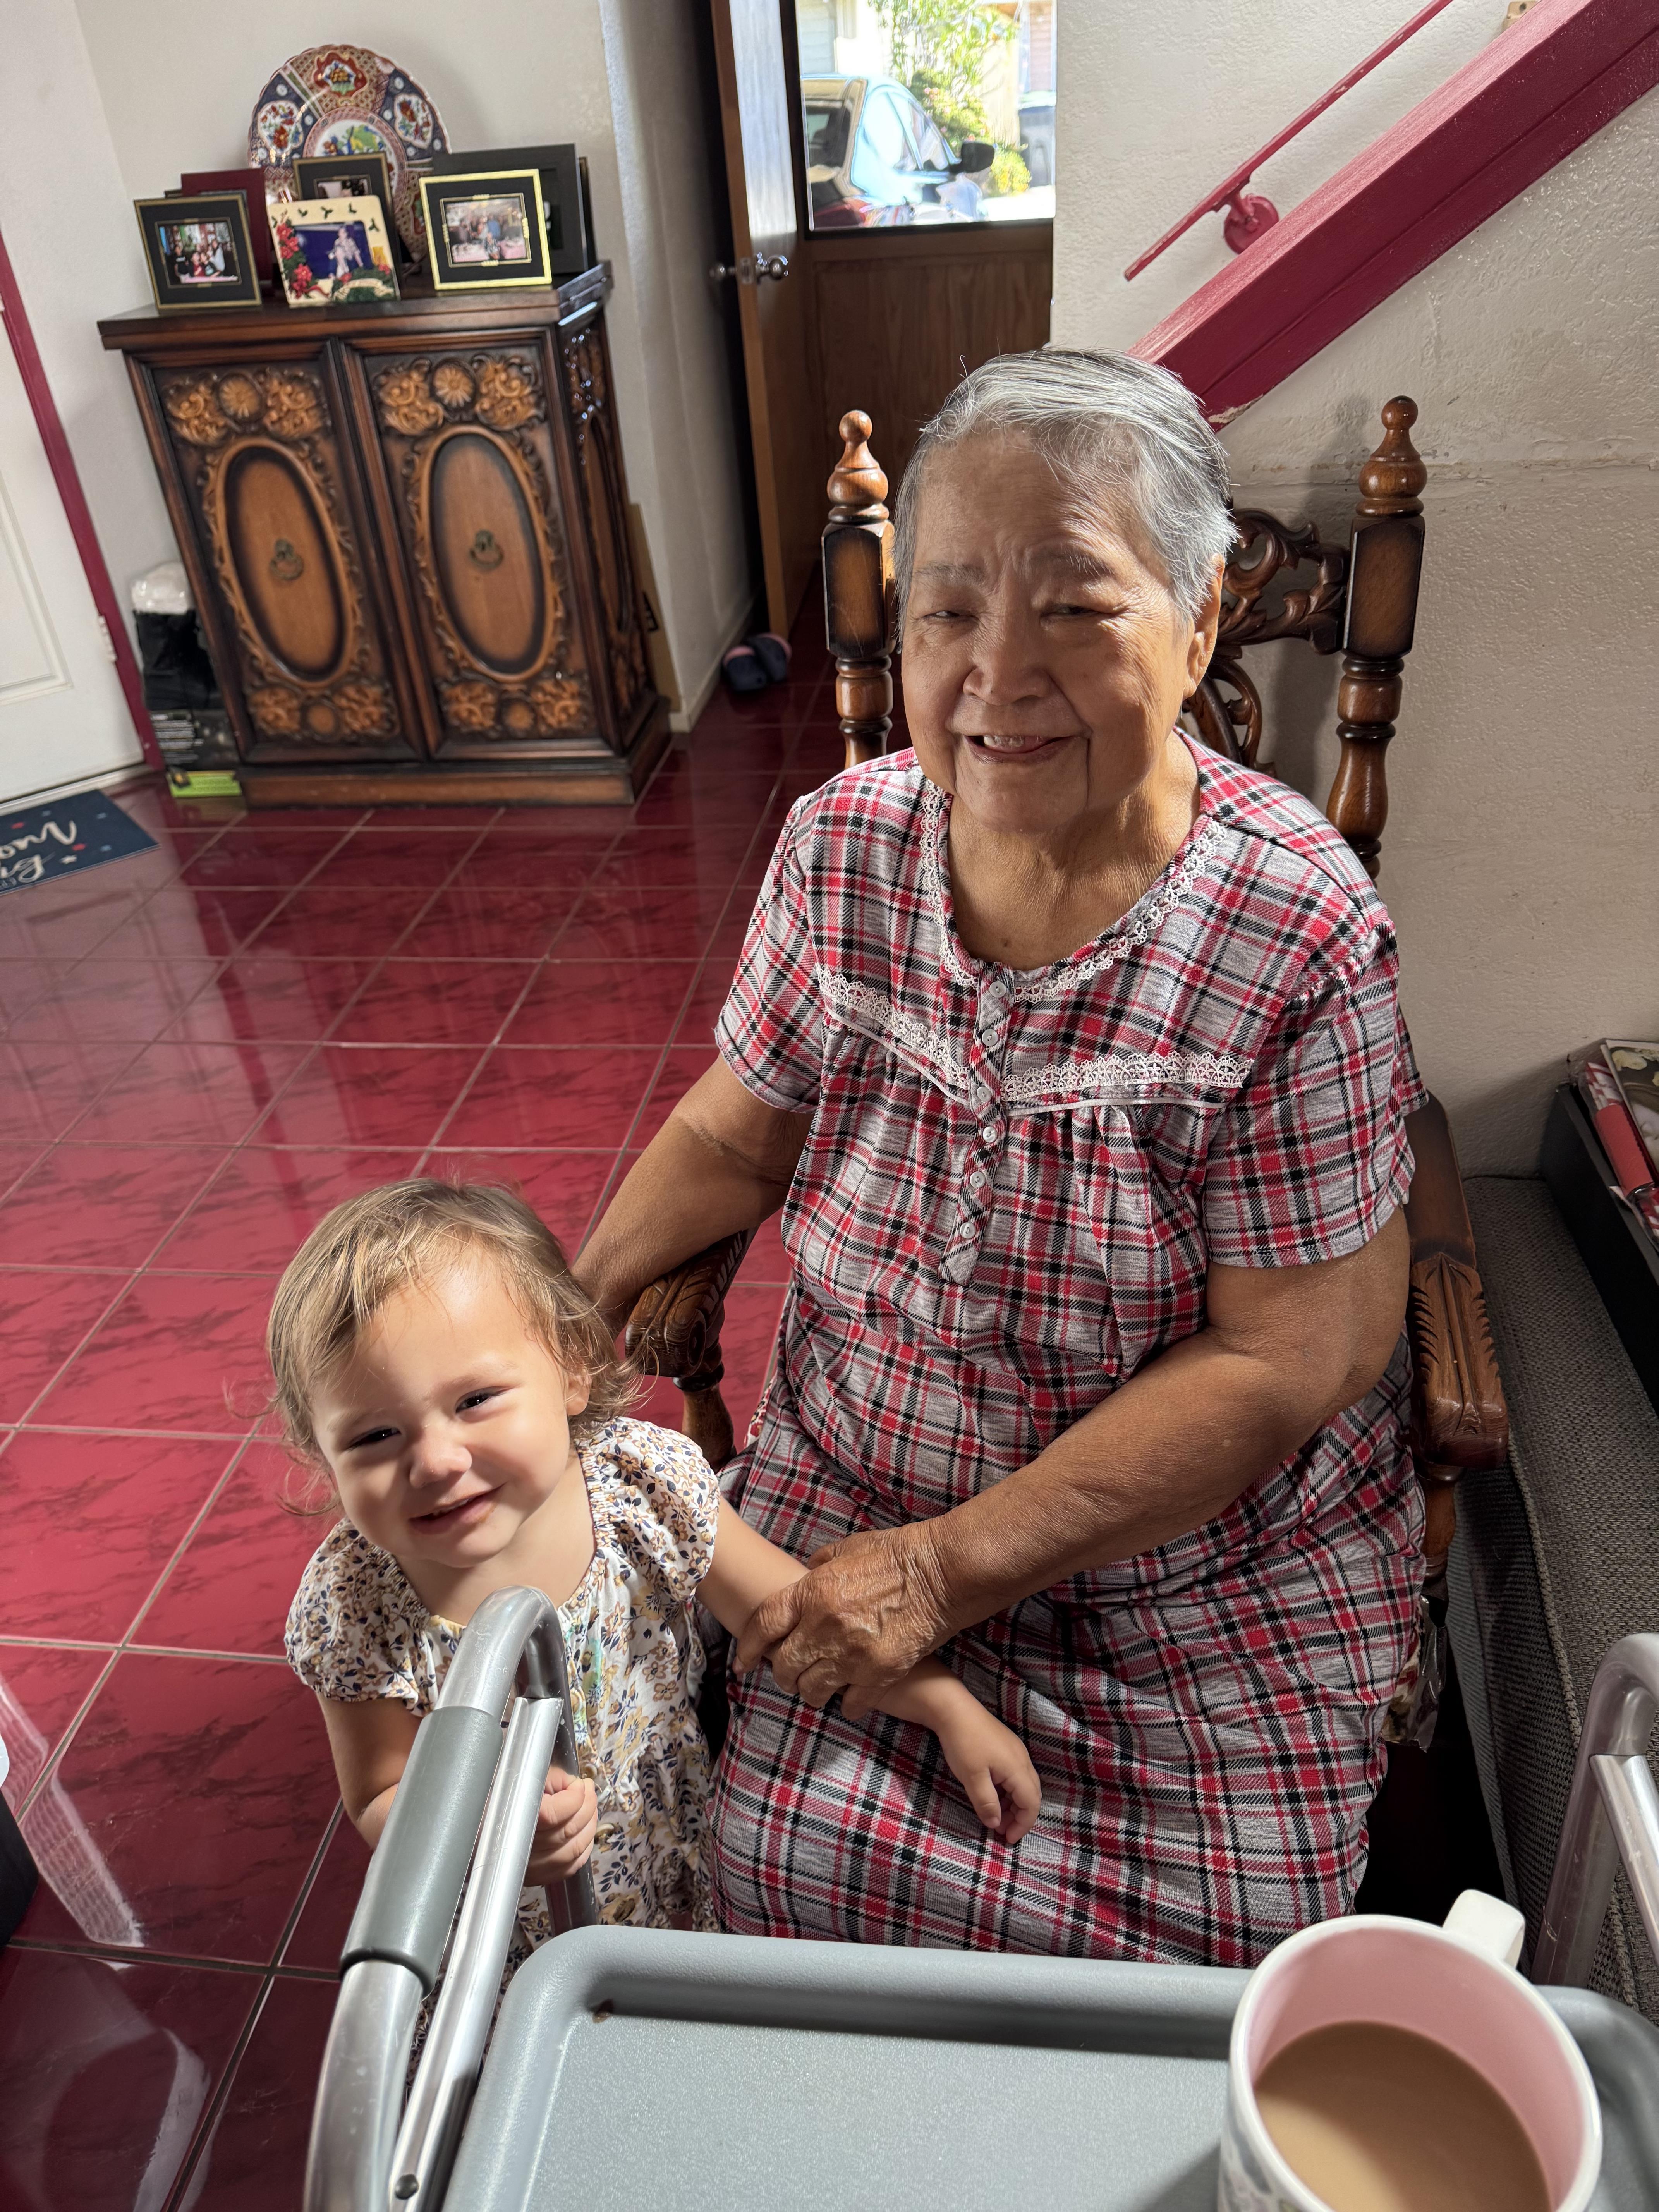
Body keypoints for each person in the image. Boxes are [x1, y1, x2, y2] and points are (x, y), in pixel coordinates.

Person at [577, 348, 1423, 1966]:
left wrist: (954, 1570)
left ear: (1202, 616)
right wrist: (568, 1304)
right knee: (780, 1879)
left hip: (1187, 1586)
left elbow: (1287, 1359)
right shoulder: (843, 846)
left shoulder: (1298, 931)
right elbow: (733, 1123)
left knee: (1205, 1964)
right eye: (949, 611)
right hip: (861, 1492)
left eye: (1077, 605)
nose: (994, 675)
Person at [275, 1180, 1037, 1966]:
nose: (435, 1461)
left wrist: (944, 1704)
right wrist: (483, 1838)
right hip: (499, 1928)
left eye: (475, 1399)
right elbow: (377, 1795)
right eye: (374, 1437)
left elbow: (787, 1615)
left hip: (666, 1850)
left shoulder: (644, 1489)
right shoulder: (355, 1604)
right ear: (323, 1457)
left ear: (572, 1371)